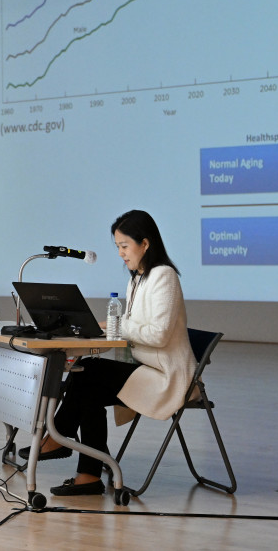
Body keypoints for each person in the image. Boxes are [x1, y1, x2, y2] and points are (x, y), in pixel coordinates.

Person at [19, 209, 196, 496]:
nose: (121, 253)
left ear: (145, 244)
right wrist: (103, 329)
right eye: (117, 247)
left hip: (168, 377)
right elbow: (134, 327)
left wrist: (118, 326)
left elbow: (159, 334)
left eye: (124, 246)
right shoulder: (137, 279)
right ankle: (86, 475)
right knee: (87, 381)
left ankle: (58, 437)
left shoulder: (164, 276)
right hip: (145, 368)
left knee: (89, 372)